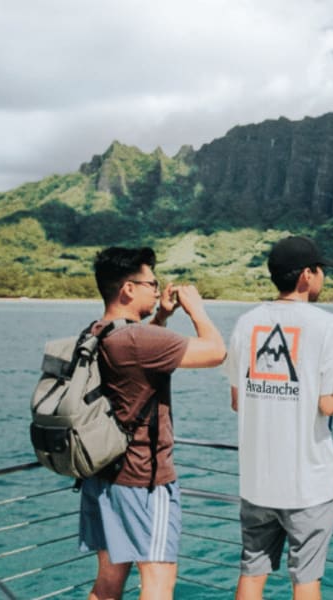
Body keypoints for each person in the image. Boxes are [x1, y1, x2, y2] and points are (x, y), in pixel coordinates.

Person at [80, 246, 227, 600]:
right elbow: (216, 351)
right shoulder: (137, 339)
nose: (157, 290)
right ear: (128, 288)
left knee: (108, 583)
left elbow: (141, 359)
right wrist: (197, 310)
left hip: (104, 475)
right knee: (159, 583)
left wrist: (160, 317)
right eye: (152, 283)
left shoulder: (100, 332)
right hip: (143, 480)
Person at [224, 236, 333, 600]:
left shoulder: (246, 323)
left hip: (257, 481)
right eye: (321, 269)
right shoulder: (330, 326)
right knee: (306, 580)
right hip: (308, 483)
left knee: (252, 573)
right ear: (306, 276)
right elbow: (327, 404)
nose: (324, 276)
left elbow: (237, 400)